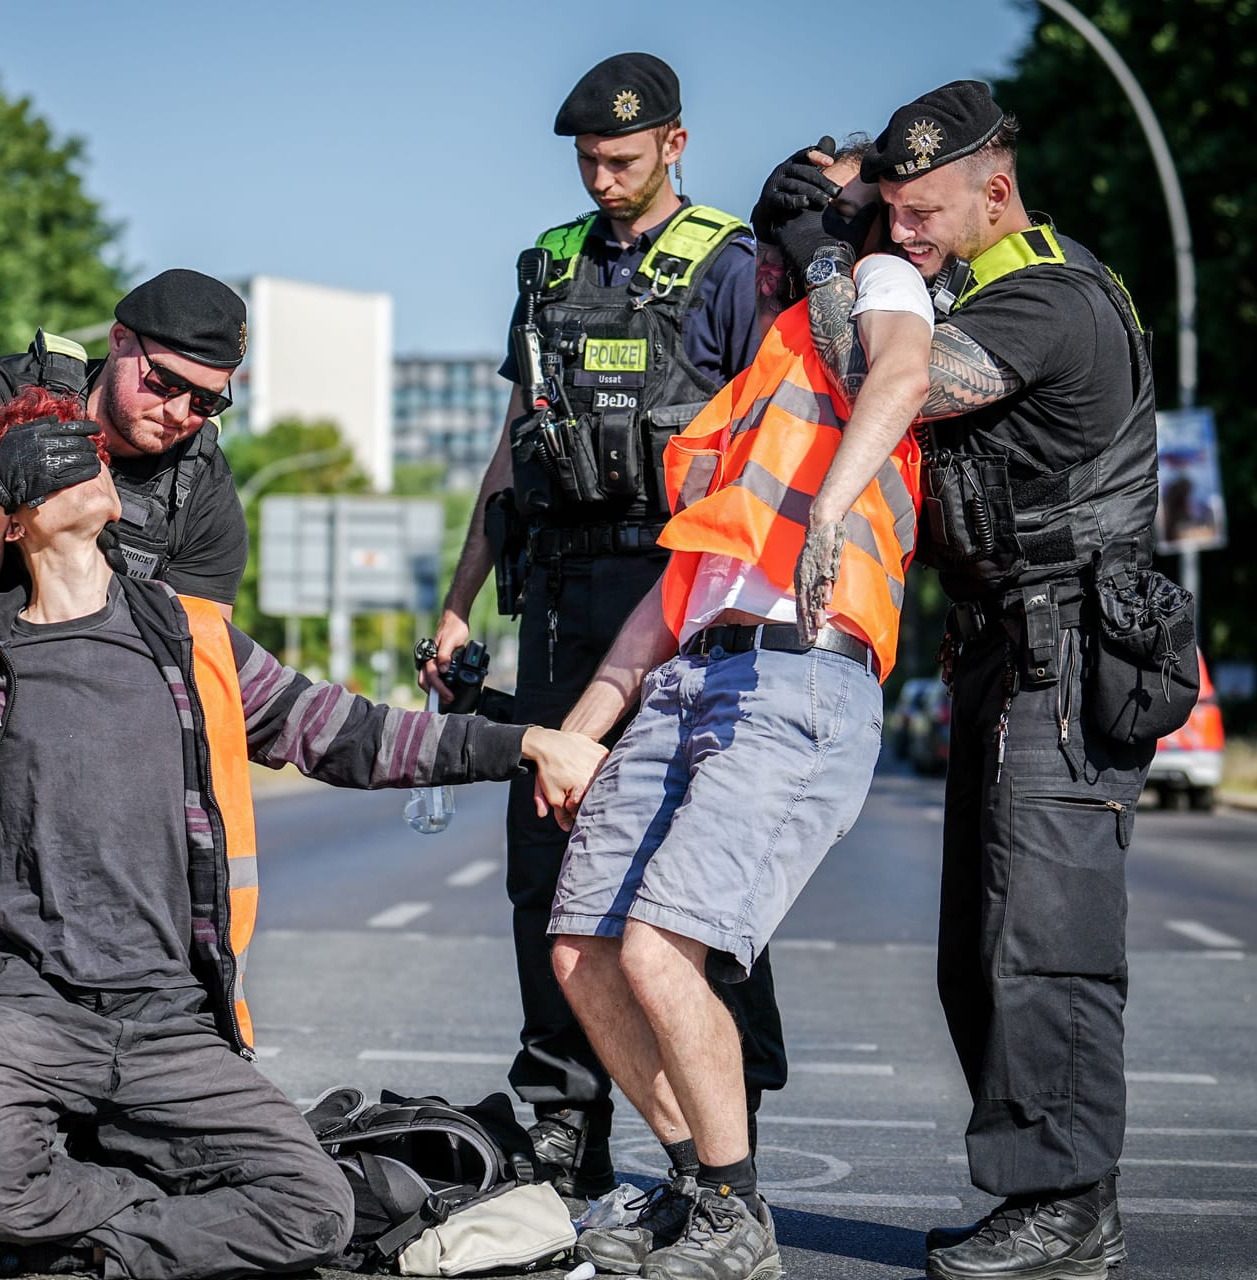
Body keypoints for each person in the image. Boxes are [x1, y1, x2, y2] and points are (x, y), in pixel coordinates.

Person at [0, 387, 610, 1280]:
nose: (81, 460)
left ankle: (73, 1253)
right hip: (21, 1013)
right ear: (13, 521)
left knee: (314, 1210)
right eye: (46, 458)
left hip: (170, 1021)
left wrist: (526, 743)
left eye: (87, 452)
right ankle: (60, 1225)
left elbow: (351, 734)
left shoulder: (196, 644)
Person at [546, 141, 932, 1280]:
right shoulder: (757, 366)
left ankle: (735, 1219)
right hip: (691, 668)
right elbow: (681, 589)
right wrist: (585, 722)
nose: (809, 201)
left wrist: (829, 515)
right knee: (584, 950)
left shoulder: (878, 289)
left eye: (834, 189)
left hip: (798, 669)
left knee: (664, 948)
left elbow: (901, 378)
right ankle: (690, 1181)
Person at [802, 81, 1164, 1280]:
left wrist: (830, 262)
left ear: (994, 192)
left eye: (921, 214)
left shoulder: (1049, 300)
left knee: (1043, 944)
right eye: (890, 213)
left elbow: (894, 382)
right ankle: (1046, 1194)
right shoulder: (988, 280)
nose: (903, 235)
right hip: (1008, 649)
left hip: (1065, 654)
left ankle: (1066, 1207)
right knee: (982, 950)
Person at [420, 50, 788, 1199]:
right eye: (586, 158)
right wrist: (457, 594)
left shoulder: (735, 268)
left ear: (674, 144)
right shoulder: (550, 266)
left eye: (622, 157)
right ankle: (561, 1121)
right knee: (549, 861)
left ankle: (729, 1121)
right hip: (563, 601)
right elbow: (513, 449)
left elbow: (777, 439)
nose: (602, 176)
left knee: (691, 878)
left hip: (685, 604)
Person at [0, 268, 250, 611]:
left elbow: (200, 649)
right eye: (165, 382)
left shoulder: (204, 485)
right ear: (119, 339)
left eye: (206, 400)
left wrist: (112, 592)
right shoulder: (1, 395)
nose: (179, 411)